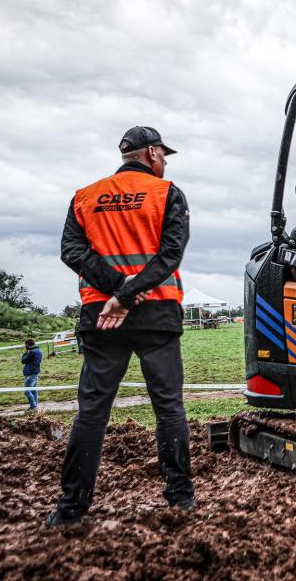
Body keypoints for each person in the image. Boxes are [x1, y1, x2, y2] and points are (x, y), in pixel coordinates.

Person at [47, 126, 193, 528]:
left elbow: (71, 252)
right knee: (168, 408)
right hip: (157, 313)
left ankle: (70, 509)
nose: (165, 162)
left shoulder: (85, 196)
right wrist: (130, 294)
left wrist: (115, 291)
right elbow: (171, 255)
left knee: (91, 412)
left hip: (101, 313)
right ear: (150, 153)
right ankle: (179, 499)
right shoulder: (168, 194)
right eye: (163, 155)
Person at [21, 338, 42, 412]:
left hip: (30, 372)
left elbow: (23, 360)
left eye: (25, 345)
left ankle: (33, 407)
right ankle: (35, 406)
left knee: (27, 391)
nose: (25, 346)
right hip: (36, 372)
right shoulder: (39, 351)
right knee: (34, 391)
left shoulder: (31, 352)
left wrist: (25, 352)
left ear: (27, 344)